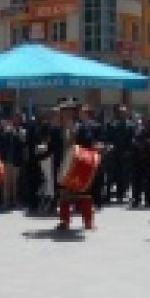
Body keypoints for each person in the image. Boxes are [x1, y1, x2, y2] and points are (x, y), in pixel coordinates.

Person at [53, 97, 95, 230]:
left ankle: (88, 221)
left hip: (79, 163)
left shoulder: (81, 127)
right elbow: (53, 145)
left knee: (84, 193)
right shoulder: (58, 128)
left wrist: (75, 133)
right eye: (64, 111)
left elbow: (88, 142)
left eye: (69, 111)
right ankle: (65, 221)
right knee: (64, 194)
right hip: (64, 163)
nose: (67, 114)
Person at [130, 117, 150, 208]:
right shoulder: (139, 132)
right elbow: (134, 142)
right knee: (137, 181)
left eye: (148, 122)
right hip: (139, 159)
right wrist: (141, 145)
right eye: (144, 122)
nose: (146, 124)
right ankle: (136, 199)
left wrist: (145, 144)